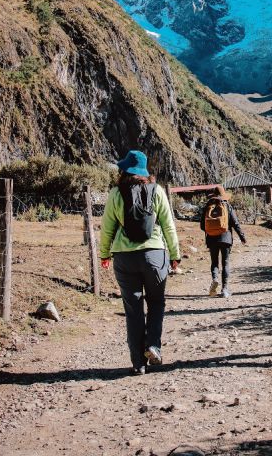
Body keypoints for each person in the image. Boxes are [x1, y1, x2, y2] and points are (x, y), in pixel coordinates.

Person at [100, 150, 181, 375]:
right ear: (144, 172)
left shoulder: (116, 193)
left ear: (125, 170)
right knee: (156, 302)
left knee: (133, 309)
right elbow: (168, 226)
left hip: (124, 258)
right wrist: (175, 255)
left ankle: (138, 363)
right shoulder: (158, 191)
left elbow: (107, 228)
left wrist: (104, 254)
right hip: (154, 255)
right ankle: (153, 346)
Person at [200, 187, 247, 298]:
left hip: (212, 239)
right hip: (226, 238)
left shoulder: (208, 206)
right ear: (223, 195)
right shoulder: (227, 206)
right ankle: (225, 289)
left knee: (214, 262)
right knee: (225, 263)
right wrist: (242, 237)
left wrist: (212, 230)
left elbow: (202, 226)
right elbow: (235, 223)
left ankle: (215, 279)